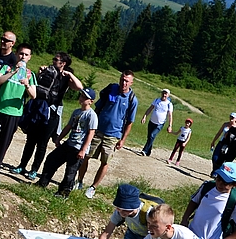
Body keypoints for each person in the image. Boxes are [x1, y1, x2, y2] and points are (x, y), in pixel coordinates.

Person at [14, 52, 83, 179]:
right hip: (38, 109)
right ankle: (22, 166)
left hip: (51, 113)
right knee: (30, 141)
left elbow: (79, 87)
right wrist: (40, 73)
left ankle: (34, 170)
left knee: (42, 143)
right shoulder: (47, 71)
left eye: (56, 60)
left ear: (63, 63)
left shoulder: (66, 78)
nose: (53, 61)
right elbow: (36, 86)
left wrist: (70, 74)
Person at [77, 70, 139, 199]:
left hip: (114, 135)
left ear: (131, 82)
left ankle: (93, 187)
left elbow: (129, 122)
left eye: (127, 80)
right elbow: (97, 107)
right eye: (122, 79)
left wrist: (123, 140)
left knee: (105, 162)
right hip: (97, 130)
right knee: (85, 156)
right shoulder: (111, 89)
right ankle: (79, 182)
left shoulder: (132, 100)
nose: (124, 82)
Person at [0, 42, 36, 181]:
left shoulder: (30, 75)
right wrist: (13, 71)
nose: (23, 56)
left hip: (14, 113)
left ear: (30, 57)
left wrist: (26, 84)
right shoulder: (7, 68)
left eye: (26, 54)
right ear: (17, 54)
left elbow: (33, 95)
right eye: (21, 53)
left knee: (4, 144)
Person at [35, 88, 97, 197]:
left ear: (91, 101)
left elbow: (91, 134)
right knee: (51, 159)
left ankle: (63, 193)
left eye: (85, 97)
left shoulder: (91, 115)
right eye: (81, 95)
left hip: (78, 147)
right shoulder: (76, 112)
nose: (81, 98)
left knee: (70, 172)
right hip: (69, 143)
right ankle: (42, 182)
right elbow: (68, 127)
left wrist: (83, 150)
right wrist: (59, 138)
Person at [181, 161, 236, 239]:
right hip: (189, 236)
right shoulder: (207, 186)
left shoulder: (234, 201)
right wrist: (185, 219)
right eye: (219, 178)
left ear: (235, 184)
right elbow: (194, 201)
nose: (220, 183)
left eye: (225, 182)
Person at [140, 88, 174, 156]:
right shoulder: (156, 100)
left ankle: (145, 150)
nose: (164, 95)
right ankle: (148, 152)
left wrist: (170, 125)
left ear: (168, 95)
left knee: (152, 136)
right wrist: (145, 116)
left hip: (160, 124)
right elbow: (150, 108)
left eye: (166, 94)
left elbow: (170, 115)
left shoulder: (169, 104)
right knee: (149, 136)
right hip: (152, 121)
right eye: (163, 93)